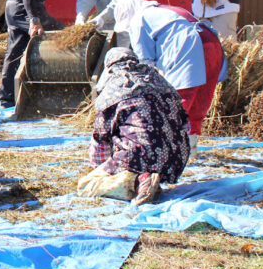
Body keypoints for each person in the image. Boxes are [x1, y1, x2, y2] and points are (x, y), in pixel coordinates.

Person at [111, 0, 227, 159]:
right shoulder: (164, 10)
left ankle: (169, 153)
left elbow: (145, 64)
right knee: (199, 100)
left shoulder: (139, 19)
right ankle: (190, 148)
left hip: (188, 47)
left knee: (177, 102)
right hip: (210, 42)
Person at [77, 48, 191, 206]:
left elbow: (101, 138)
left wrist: (102, 171)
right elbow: (186, 124)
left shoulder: (116, 87)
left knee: (85, 186)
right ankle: (151, 179)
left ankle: (138, 181)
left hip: (140, 157)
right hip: (176, 159)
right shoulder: (159, 80)